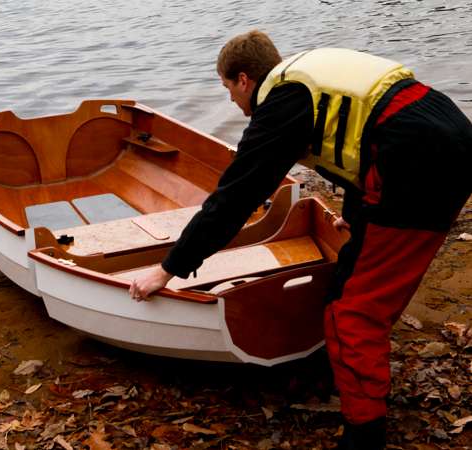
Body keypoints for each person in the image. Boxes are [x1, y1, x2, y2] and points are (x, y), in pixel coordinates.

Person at [129, 30, 472, 449]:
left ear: (243, 80)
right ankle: (345, 373)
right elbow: (359, 135)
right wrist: (357, 216)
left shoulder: (282, 104)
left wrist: (169, 268)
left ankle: (365, 435)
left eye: (227, 90)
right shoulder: (307, 81)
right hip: (448, 138)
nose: (232, 104)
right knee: (349, 277)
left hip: (417, 162)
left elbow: (236, 196)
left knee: (355, 313)